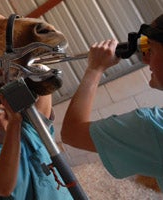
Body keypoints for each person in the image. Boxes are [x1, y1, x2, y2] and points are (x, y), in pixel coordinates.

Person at [0, 14, 73, 200]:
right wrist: (15, 121)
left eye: (9, 109)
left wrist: (8, 26)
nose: (9, 115)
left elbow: (43, 59)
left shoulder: (33, 129)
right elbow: (2, 187)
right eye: (0, 112)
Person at [61, 14, 163, 191]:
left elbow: (71, 133)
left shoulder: (153, 127)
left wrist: (94, 68)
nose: (145, 59)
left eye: (152, 50)